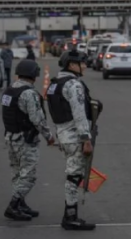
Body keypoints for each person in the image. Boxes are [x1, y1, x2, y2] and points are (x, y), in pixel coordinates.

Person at [46, 49, 99, 230]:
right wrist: (86, 139)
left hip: (63, 135)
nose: (85, 65)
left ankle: (70, 215)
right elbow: (78, 114)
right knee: (74, 177)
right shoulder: (74, 85)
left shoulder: (54, 84)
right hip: (75, 136)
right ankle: (70, 217)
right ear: (72, 65)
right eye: (82, 62)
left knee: (72, 174)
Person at [1, 59, 55, 221]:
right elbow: (37, 119)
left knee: (18, 173)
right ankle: (13, 205)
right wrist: (49, 136)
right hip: (25, 139)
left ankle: (21, 204)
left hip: (11, 137)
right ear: (34, 74)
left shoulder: (9, 91)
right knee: (29, 175)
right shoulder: (28, 94)